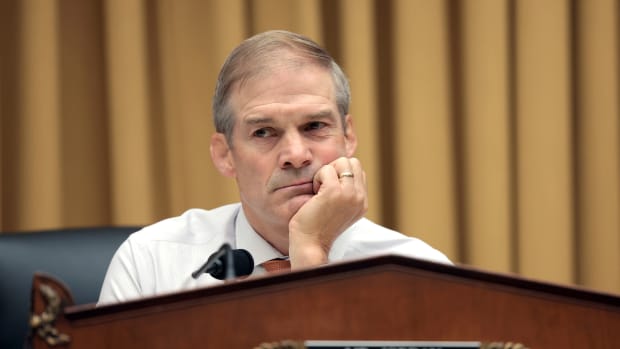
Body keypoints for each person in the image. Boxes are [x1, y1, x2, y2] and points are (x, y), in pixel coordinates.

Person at [98, 30, 451, 304]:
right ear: (225, 155)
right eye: (263, 131)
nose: (296, 154)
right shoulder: (151, 262)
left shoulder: (418, 274)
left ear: (348, 136)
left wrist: (311, 249)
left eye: (315, 126)